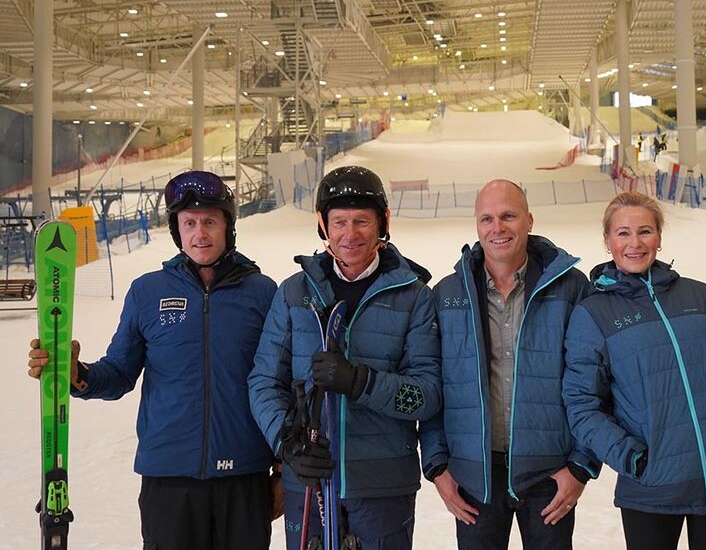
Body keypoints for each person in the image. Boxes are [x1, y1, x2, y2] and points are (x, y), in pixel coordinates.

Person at [27, 170, 279, 549]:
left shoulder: (262, 293)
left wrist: (282, 470)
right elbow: (118, 373)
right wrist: (76, 374)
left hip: (243, 475)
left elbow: (279, 382)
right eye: (189, 223)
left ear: (228, 225)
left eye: (210, 221)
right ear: (177, 230)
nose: (200, 233)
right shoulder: (147, 292)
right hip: (168, 477)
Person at [248, 165, 441, 550]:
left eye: (361, 221)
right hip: (309, 480)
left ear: (383, 223)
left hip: (383, 483)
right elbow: (264, 381)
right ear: (323, 225)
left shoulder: (414, 297)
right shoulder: (293, 293)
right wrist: (288, 446)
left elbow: (427, 395)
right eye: (339, 222)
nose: (350, 234)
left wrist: (360, 382)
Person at [562, 191, 706, 550]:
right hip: (651, 487)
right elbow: (581, 403)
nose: (635, 243)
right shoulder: (594, 314)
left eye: (645, 231)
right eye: (623, 233)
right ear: (608, 241)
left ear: (659, 236)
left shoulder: (699, 296)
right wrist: (631, 458)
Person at [420, 179, 599, 550]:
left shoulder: (571, 288)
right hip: (475, 477)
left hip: (549, 474)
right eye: (487, 219)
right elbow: (435, 385)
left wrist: (581, 466)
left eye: (508, 216)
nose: (497, 228)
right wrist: (437, 467)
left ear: (529, 220)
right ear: (476, 226)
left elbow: (596, 382)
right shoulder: (448, 294)